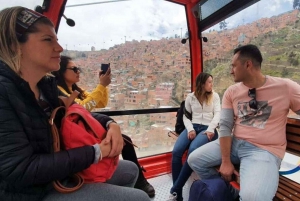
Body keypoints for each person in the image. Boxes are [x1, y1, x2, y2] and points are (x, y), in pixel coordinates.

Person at [0, 6, 150, 201]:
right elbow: (19, 168)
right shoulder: (5, 93)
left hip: (57, 176)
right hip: (31, 192)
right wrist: (96, 152)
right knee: (139, 198)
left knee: (129, 170)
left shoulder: (45, 89)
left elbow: (78, 112)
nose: (59, 48)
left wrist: (110, 124)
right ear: (14, 45)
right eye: (48, 40)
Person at [188, 44, 300, 201]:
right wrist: (226, 161)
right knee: (194, 160)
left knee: (251, 198)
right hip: (235, 144)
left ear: (248, 64)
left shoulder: (286, 87)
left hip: (264, 150)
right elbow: (226, 126)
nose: (231, 70)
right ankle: (229, 193)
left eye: (234, 66)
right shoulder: (232, 91)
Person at [52, 56, 155, 198]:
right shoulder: (59, 91)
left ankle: (134, 180)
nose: (78, 72)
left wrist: (103, 86)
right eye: (74, 69)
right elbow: (82, 108)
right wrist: (101, 86)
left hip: (86, 128)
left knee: (124, 140)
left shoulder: (76, 90)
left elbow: (101, 103)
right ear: (61, 71)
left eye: (79, 69)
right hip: (77, 136)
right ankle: (138, 182)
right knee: (123, 142)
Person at [169, 72, 220, 201]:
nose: (211, 84)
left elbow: (218, 114)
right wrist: (190, 129)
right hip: (193, 126)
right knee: (176, 152)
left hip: (208, 129)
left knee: (192, 152)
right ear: (202, 84)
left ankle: (175, 190)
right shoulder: (190, 97)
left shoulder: (215, 96)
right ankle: (178, 195)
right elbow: (186, 116)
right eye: (209, 82)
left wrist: (210, 129)